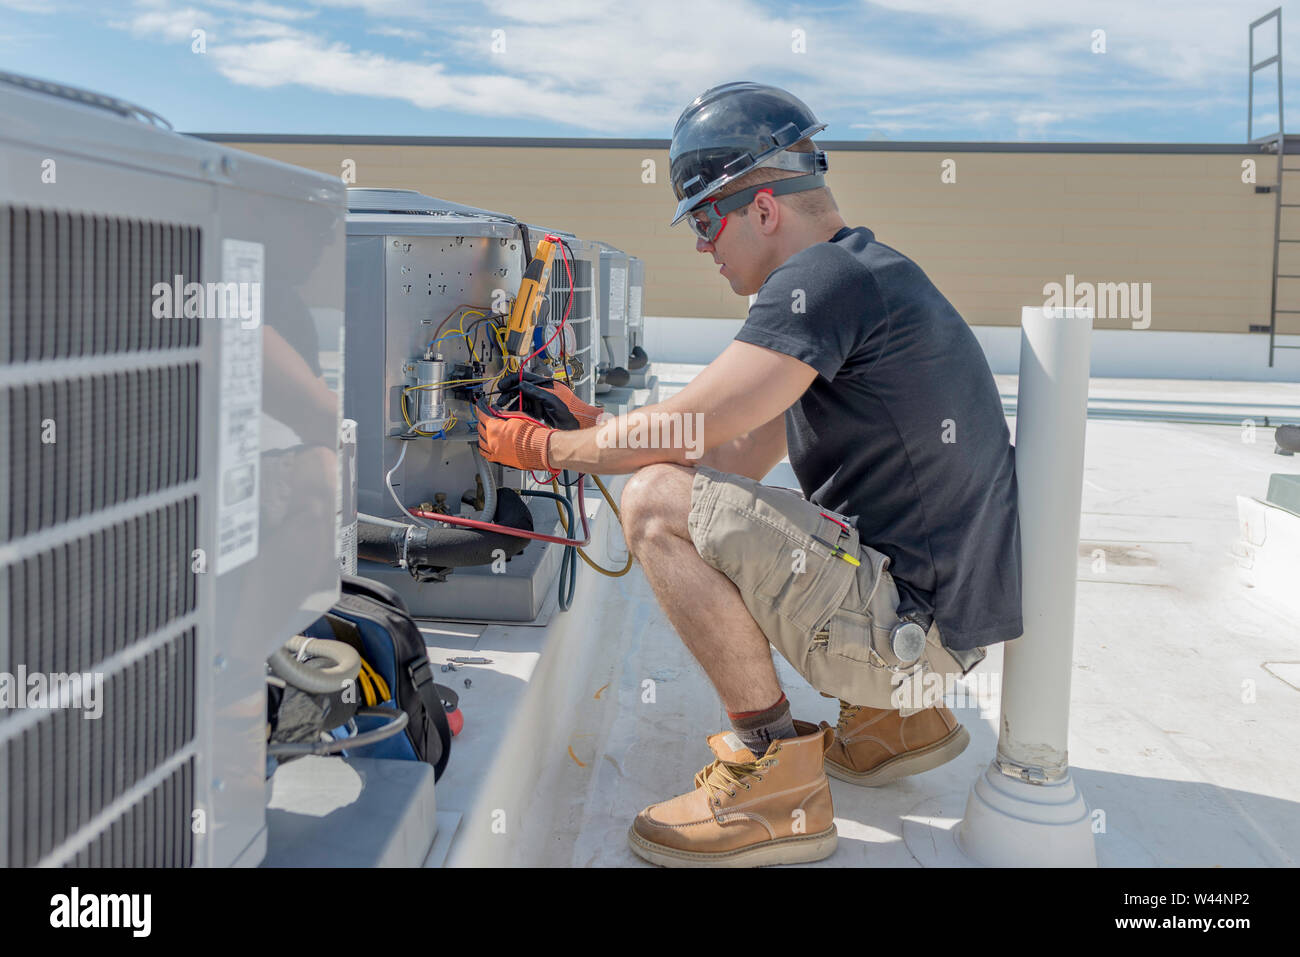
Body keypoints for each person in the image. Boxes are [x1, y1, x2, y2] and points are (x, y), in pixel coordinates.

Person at [477, 81, 1022, 867]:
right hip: (939, 625)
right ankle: (894, 721)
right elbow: (729, 453)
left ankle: (774, 780)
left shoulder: (816, 283)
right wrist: (599, 428)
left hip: (908, 632)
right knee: (693, 491)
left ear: (764, 208)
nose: (701, 244)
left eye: (704, 218)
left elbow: (693, 429)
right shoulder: (868, 275)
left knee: (656, 505)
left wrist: (542, 449)